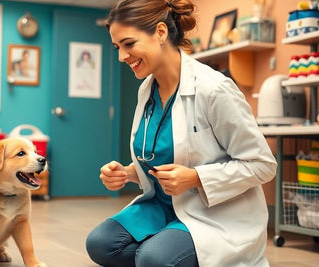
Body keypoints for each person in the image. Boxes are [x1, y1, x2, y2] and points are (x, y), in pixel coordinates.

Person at [85, 1, 277, 267]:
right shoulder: (147, 90)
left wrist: (196, 178)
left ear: (161, 33)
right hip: (163, 206)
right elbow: (167, 153)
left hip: (214, 212)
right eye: (117, 47)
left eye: (129, 44)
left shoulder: (214, 89)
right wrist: (129, 173)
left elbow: (263, 166)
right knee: (100, 245)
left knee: (153, 258)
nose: (121, 56)